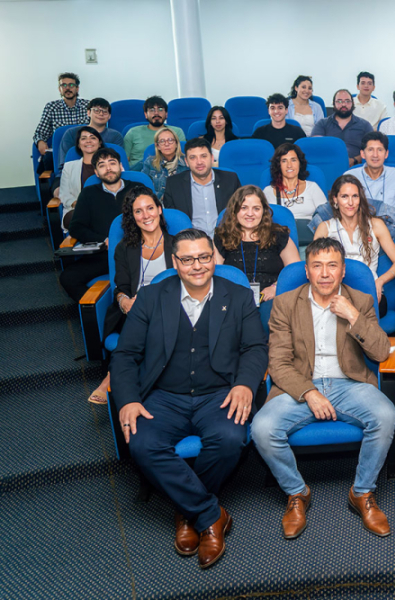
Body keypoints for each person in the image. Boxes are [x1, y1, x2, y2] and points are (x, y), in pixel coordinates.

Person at [109, 228, 268, 569]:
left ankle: (186, 511)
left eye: (204, 257)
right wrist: (128, 400)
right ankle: (209, 514)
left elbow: (255, 348)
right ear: (175, 261)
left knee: (230, 438)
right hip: (165, 396)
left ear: (214, 257)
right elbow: (124, 355)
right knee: (141, 442)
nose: (198, 265)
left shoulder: (239, 297)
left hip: (218, 394)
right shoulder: (152, 297)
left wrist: (244, 384)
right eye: (188, 259)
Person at [251, 237, 395, 538]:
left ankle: (362, 491)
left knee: (385, 416)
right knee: (262, 428)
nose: (325, 273)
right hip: (301, 386)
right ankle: (296, 492)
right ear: (307, 271)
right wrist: (309, 392)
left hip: (350, 384)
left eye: (333, 265)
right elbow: (278, 362)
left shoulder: (361, 301)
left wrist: (353, 316)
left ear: (343, 271)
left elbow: (382, 353)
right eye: (317, 266)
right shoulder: (285, 303)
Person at [90, 186, 176, 405]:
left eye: (150, 208)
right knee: (143, 317)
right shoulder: (125, 248)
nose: (146, 215)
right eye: (138, 211)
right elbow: (121, 287)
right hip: (136, 310)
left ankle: (113, 376)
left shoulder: (178, 244)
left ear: (159, 209)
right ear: (132, 217)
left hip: (174, 305)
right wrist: (124, 301)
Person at [314, 175, 395, 317]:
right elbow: (315, 266)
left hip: (369, 290)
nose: (350, 202)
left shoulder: (375, 225)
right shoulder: (325, 228)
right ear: (335, 200)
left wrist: (380, 281)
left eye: (355, 196)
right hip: (335, 292)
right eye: (344, 196)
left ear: (360, 199)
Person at [213, 185, 300, 328]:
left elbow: (294, 273)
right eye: (244, 208)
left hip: (271, 298)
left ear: (263, 212)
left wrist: (276, 288)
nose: (250, 213)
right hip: (232, 298)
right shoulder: (222, 237)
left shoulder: (278, 235)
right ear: (235, 210)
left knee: (270, 316)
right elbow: (215, 273)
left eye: (256, 208)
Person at [60, 148, 138, 302]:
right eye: (102, 165)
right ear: (96, 172)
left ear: (120, 166)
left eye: (112, 163)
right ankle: (101, 314)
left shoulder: (138, 189)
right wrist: (105, 239)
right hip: (104, 254)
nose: (108, 168)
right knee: (68, 277)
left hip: (138, 251)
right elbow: (76, 227)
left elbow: (154, 220)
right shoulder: (88, 193)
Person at [344, 132, 395, 253]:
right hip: (359, 236)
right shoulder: (350, 177)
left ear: (386, 154)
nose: (375, 155)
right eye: (370, 150)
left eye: (380, 150)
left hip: (391, 236)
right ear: (362, 154)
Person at [163, 138, 242, 237]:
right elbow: (174, 222)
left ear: (212, 158)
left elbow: (240, 212)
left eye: (203, 156)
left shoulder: (230, 179)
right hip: (191, 242)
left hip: (226, 239)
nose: (199, 162)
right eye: (193, 157)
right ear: (186, 162)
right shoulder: (174, 184)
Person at [262, 143, 327, 252]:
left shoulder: (312, 187)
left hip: (310, 243)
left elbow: (326, 219)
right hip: (280, 245)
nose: (289, 165)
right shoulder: (268, 191)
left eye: (293, 160)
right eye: (284, 161)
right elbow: (263, 222)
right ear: (278, 165)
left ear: (300, 163)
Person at [33, 72, 89, 170]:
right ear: (60, 89)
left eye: (71, 85)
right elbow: (40, 133)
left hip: (86, 150)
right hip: (60, 152)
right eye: (64, 85)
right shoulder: (51, 107)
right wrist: (40, 141)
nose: (68, 88)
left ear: (77, 88)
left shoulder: (88, 106)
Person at [58, 97, 124, 172]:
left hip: (106, 173)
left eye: (105, 111)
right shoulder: (72, 133)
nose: (101, 114)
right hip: (73, 172)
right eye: (96, 110)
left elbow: (117, 162)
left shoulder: (115, 136)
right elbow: (65, 162)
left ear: (109, 116)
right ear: (88, 113)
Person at [57, 126, 105, 229]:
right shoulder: (69, 167)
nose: (88, 141)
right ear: (78, 145)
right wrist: (76, 204)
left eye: (92, 137)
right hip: (78, 210)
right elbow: (64, 194)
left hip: (105, 207)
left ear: (99, 143)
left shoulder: (111, 165)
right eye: (83, 138)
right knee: (77, 217)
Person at [311, 90, 374, 166]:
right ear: (333, 103)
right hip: (328, 165)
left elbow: (372, 150)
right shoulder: (322, 124)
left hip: (356, 167)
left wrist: (354, 160)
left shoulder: (365, 125)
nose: (344, 104)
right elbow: (316, 148)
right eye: (339, 101)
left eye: (347, 101)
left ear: (353, 103)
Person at [123, 96, 186, 167]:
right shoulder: (133, 132)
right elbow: (124, 161)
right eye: (152, 110)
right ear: (146, 115)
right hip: (138, 172)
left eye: (160, 109)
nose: (156, 113)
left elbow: (182, 157)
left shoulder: (177, 131)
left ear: (166, 114)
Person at [141, 127, 188, 199]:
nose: (167, 144)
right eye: (162, 141)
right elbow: (143, 187)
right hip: (158, 203)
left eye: (170, 140)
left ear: (176, 144)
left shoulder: (187, 162)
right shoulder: (150, 162)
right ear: (157, 146)